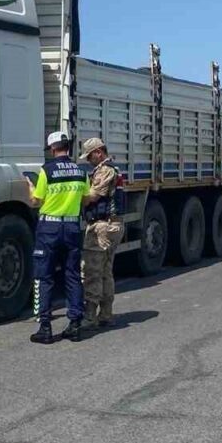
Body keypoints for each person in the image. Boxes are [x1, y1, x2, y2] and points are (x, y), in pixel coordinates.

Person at [27, 132, 88, 344]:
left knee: (44, 277)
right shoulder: (81, 171)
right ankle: (75, 324)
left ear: (52, 149)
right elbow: (87, 198)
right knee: (72, 275)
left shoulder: (47, 171)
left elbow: (36, 201)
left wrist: (31, 189)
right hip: (72, 226)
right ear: (68, 147)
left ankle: (45, 326)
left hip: (49, 228)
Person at [80, 136, 123, 329]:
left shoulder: (105, 171)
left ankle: (90, 317)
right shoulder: (111, 169)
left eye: (89, 157)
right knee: (106, 271)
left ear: (99, 152)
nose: (89, 161)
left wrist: (73, 192)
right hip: (111, 225)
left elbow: (91, 197)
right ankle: (106, 314)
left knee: (92, 271)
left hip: (102, 226)